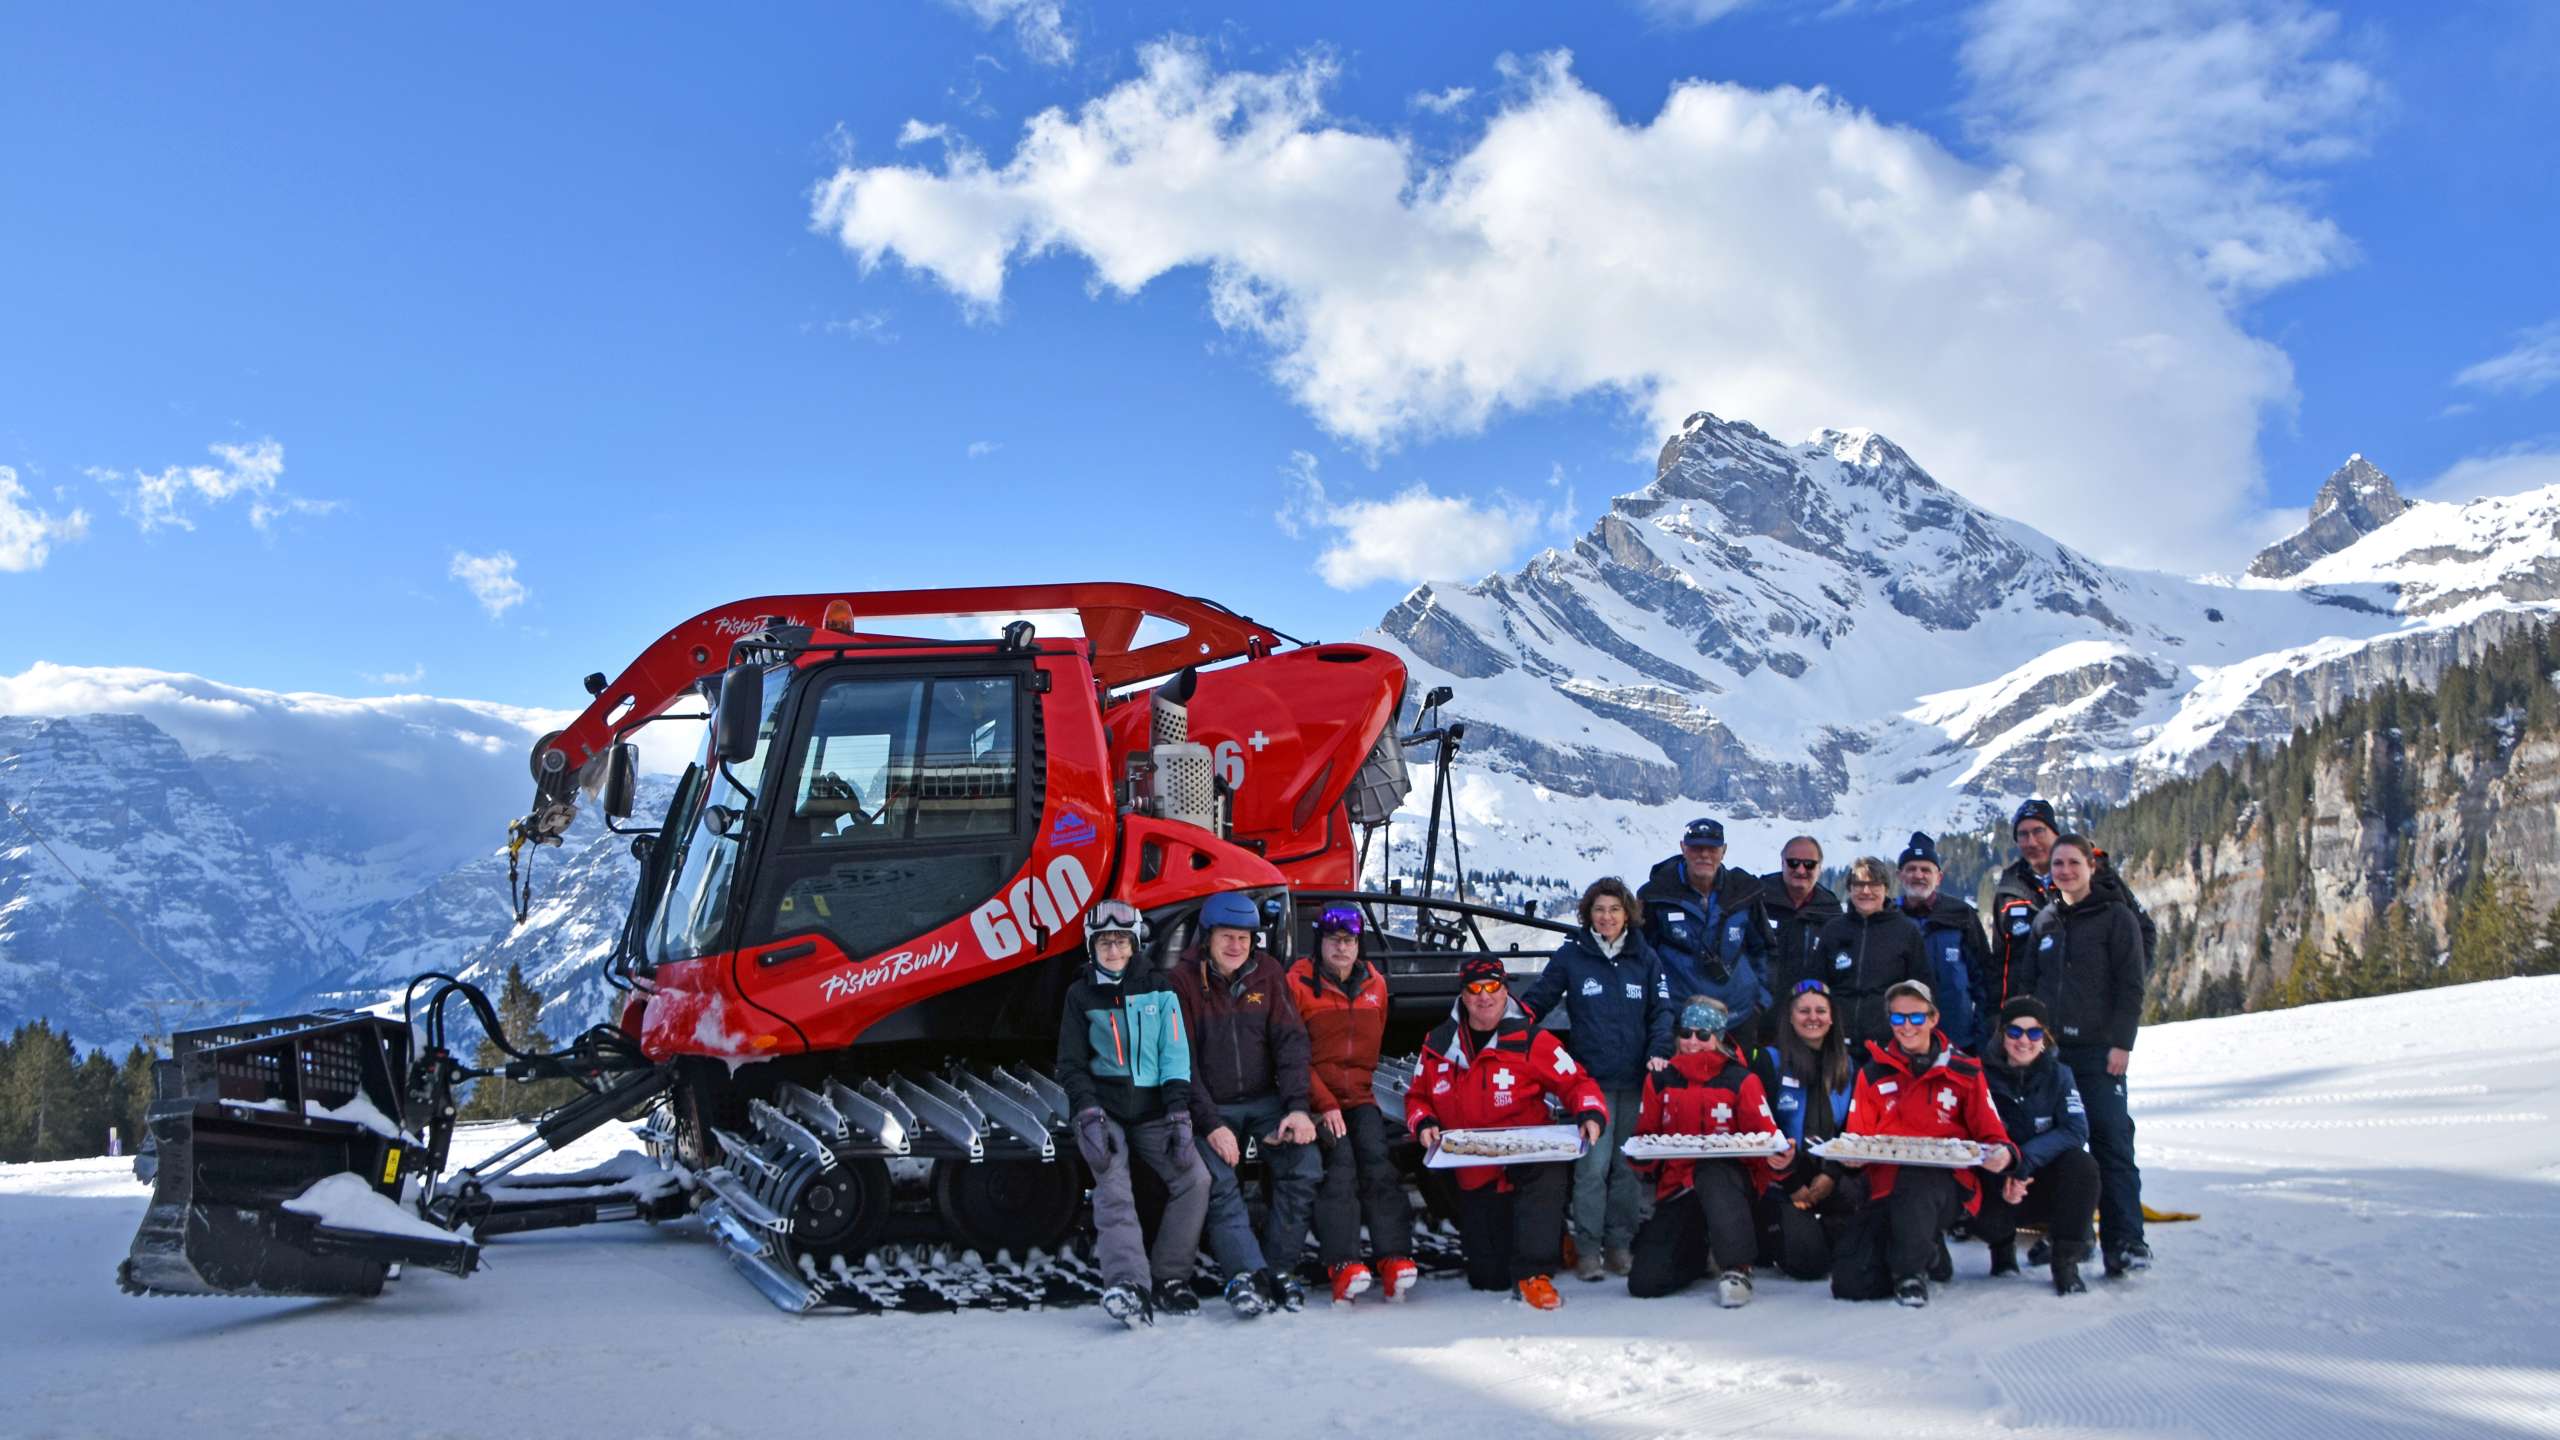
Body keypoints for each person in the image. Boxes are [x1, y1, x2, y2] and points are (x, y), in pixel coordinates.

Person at [1405, 955, 1611, 1311]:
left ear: (1505, 991)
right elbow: (1418, 1096)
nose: (1484, 997)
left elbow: (1577, 1081)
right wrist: (1423, 1121)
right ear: (1463, 995)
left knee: (1546, 1178)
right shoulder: (1438, 1043)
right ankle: (1551, 1240)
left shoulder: (1532, 1040)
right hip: (1475, 1164)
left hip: (1528, 1156)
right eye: (1475, 989)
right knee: (1488, 1277)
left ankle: (1537, 1273)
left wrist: (1590, 1111)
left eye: (1492, 988)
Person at [1055, 899, 1213, 1325]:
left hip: (1155, 1109)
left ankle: (1170, 1276)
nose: (1113, 951)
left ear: (1134, 944)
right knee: (1112, 1183)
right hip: (1104, 1112)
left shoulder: (1159, 988)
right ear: (1093, 947)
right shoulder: (1080, 994)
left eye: (1121, 942)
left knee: (1195, 1179)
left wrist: (1179, 1114)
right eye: (1104, 942)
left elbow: (1175, 1054)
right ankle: (1128, 1284)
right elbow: (1071, 1063)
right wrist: (1087, 1111)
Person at [1168, 889, 1321, 1316]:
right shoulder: (1181, 982)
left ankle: (1278, 1269)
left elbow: (1290, 1042)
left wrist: (1296, 1107)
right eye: (1227, 937)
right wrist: (1212, 1123)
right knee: (1219, 1182)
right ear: (1208, 937)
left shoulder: (1268, 974)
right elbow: (1182, 1063)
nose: (1236, 946)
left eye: (1245, 938)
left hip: (1264, 1100)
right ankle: (1246, 1275)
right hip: (1211, 1104)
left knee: (1304, 1165)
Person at [1518, 877, 1673, 1281]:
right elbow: (1539, 999)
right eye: (1599, 909)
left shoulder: (1646, 958)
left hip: (1636, 1078)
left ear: (1627, 915)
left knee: (1625, 1168)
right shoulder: (1573, 956)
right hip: (1591, 1082)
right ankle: (1588, 1250)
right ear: (1588, 913)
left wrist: (1659, 1051)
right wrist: (1507, 1026)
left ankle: (1620, 1245)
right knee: (1592, 1168)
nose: (1606, 917)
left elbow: (1662, 1012)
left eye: (1614, 910)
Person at [2013, 835, 2151, 1277]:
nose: (2066, 871)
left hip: (2098, 1052)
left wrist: (2122, 1043)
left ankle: (2125, 1241)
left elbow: (2132, 984)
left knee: (2111, 1141)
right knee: (2060, 1147)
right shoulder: (2046, 922)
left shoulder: (2116, 917)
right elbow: (2029, 987)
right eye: (2058, 864)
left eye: (2074, 862)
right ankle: (2072, 1234)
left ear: (2091, 867)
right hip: (2052, 1055)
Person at [1833, 980, 2019, 1308]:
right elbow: (1857, 1135)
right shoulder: (1873, 1072)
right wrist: (1851, 1158)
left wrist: (2003, 1154)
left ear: (1933, 1019)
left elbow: (1992, 1133)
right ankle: (1930, 1254)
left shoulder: (1964, 1070)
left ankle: (1910, 1273)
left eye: (1916, 1018)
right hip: (1885, 1188)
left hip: (1944, 1186)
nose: (1907, 1027)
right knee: (1851, 1283)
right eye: (1898, 1018)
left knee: (1917, 1178)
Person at [1286, 905, 1418, 1305]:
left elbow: (1371, 1045)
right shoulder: (1298, 984)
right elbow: (1291, 1053)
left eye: (1349, 941)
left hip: (1359, 1097)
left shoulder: (1374, 984)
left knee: (1379, 1163)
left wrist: (1358, 1094)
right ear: (1320, 943)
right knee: (1340, 1167)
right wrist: (1322, 1103)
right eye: (1333, 940)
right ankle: (1342, 1263)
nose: (1342, 948)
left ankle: (1394, 1257)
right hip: (1316, 1097)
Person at [1623, 998, 1793, 1307]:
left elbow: (1766, 1140)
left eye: (1703, 1035)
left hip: (1730, 1190)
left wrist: (1778, 1160)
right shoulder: (1661, 1079)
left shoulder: (1741, 1079)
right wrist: (1641, 1156)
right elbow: (1644, 1137)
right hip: (1678, 1186)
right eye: (1686, 1032)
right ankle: (1695, 1255)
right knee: (1645, 1283)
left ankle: (1737, 1267)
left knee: (1712, 1169)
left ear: (1719, 1037)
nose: (1692, 1042)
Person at [1973, 996, 2100, 1295]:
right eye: (2015, 1032)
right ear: (2002, 1035)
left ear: (2044, 1037)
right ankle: (2001, 1250)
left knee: (2082, 1166)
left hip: (2039, 1180)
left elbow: (2076, 1129)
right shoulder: (1978, 1074)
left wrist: (2021, 1161)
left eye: (2034, 1033)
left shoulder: (2060, 1075)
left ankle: (2065, 1260)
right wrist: (2004, 1165)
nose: (2024, 1041)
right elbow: (1967, 1130)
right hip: (1995, 1181)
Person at [1990, 799, 2157, 1004]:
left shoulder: (2098, 877)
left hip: (2093, 1016)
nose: (2031, 841)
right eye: (2023, 834)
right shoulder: (2008, 890)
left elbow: (2143, 931)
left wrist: (2125, 993)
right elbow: (2001, 965)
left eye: (2038, 831)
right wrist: (2000, 1015)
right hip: (2031, 1023)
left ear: (2056, 834)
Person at [1753, 979, 1861, 1280]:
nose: (1812, 1017)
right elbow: (1762, 1129)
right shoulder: (1770, 1061)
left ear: (1832, 1017)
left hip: (1831, 1175)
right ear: (1790, 1016)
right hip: (1786, 1180)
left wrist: (1830, 1174)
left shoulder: (1847, 1065)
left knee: (1856, 1249)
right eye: (1803, 1011)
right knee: (1808, 1265)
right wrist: (1793, 1183)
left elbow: (1851, 1129)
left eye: (1820, 1010)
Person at [1639, 818, 1773, 1046]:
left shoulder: (1744, 892)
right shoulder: (1656, 894)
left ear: (1724, 851)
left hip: (1738, 1018)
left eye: (1711, 848)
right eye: (1696, 848)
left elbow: (1765, 950)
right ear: (1683, 848)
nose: (1704, 855)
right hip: (1680, 1022)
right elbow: (1641, 956)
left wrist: (1760, 1002)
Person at [1807, 856, 1930, 1049]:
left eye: (1874, 884)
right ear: (1850, 889)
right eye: (1859, 884)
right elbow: (1816, 985)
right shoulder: (1833, 930)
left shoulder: (1906, 930)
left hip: (1888, 1042)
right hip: (1837, 1042)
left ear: (1886, 889)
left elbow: (1921, 988)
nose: (1866, 891)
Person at [1895, 832, 1992, 1052]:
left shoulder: (1961, 915)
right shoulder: (1890, 916)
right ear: (1900, 875)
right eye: (1911, 869)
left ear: (1938, 877)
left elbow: (1984, 978)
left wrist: (1981, 1034)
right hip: (1903, 1041)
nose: (1918, 875)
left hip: (1958, 1040)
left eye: (1925, 870)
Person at [1758, 836, 1841, 1044]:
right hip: (1758, 1017)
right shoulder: (1756, 899)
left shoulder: (1831, 911)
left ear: (1820, 868)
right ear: (1782, 862)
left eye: (1809, 864)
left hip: (1807, 1021)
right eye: (1793, 862)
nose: (1801, 870)